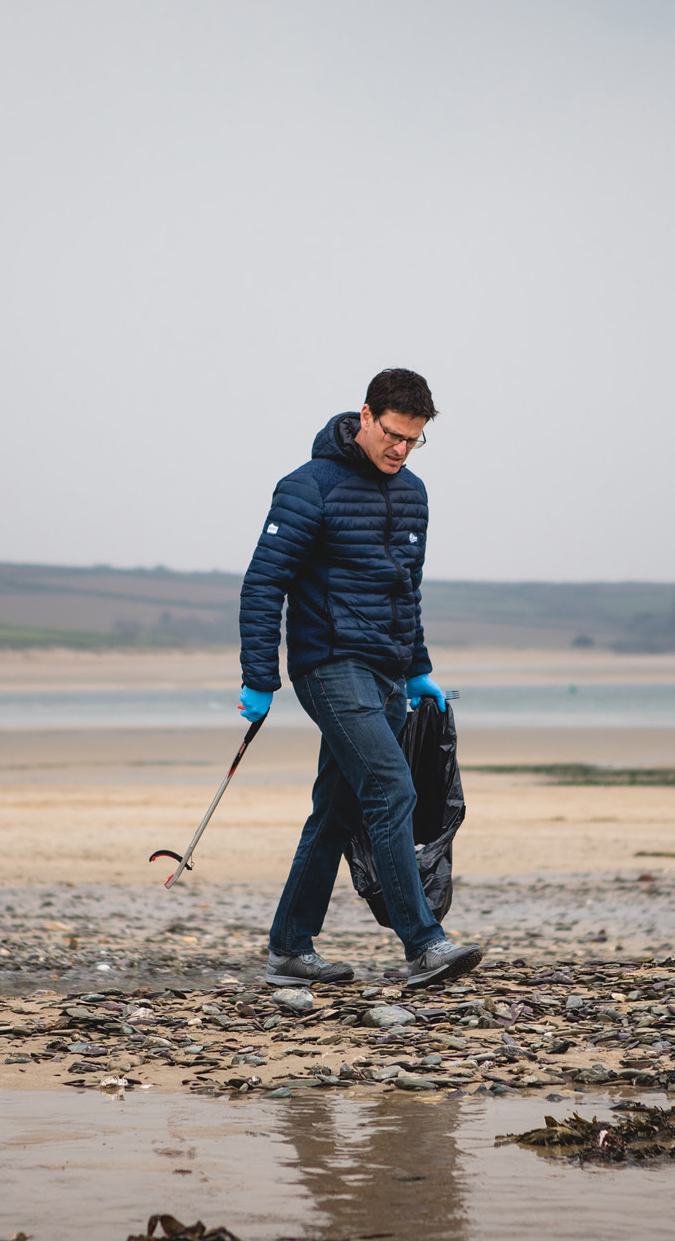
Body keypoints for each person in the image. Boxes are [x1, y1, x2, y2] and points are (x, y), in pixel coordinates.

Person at [237, 368, 484, 990]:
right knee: (391, 788)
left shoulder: (414, 494)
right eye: (394, 435)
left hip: (389, 671)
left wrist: (420, 667)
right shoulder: (308, 487)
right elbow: (264, 582)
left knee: (337, 810)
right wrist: (259, 676)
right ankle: (424, 944)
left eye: (415, 441)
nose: (401, 450)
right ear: (367, 416)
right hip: (328, 664)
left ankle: (290, 948)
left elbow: (408, 589)